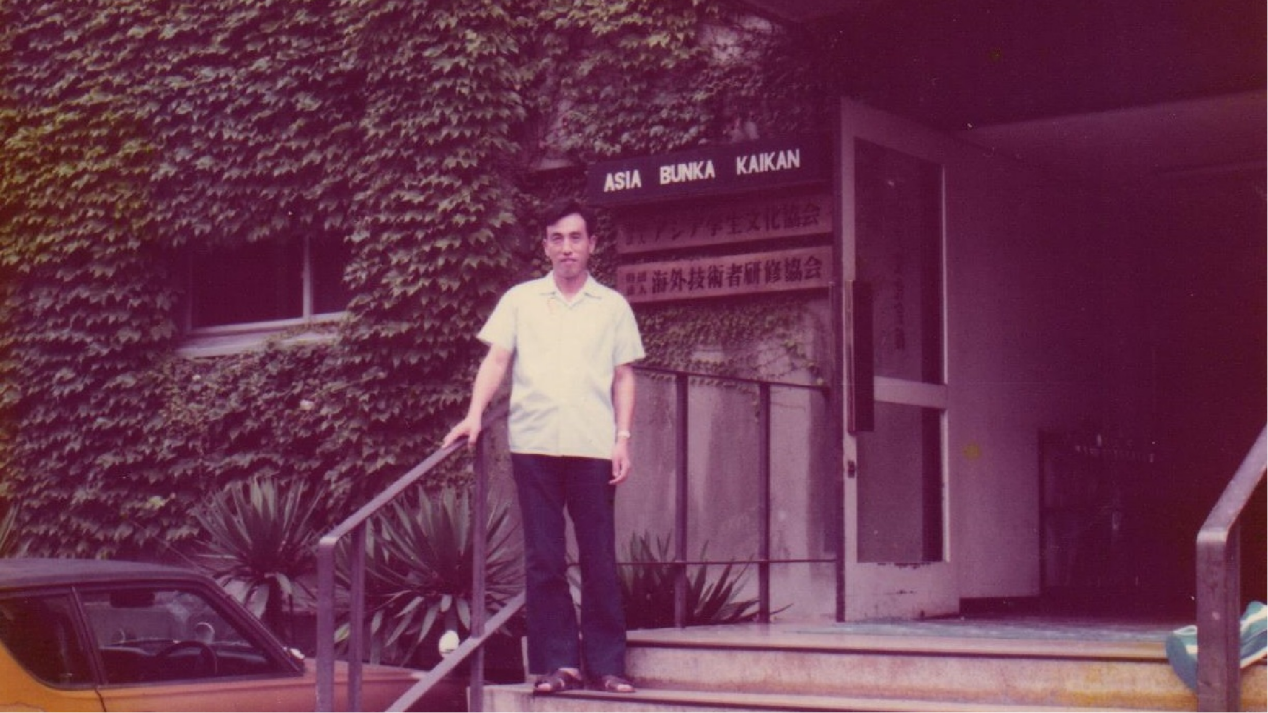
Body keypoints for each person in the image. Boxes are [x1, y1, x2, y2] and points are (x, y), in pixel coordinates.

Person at [442, 199, 644, 695]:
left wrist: (622, 438)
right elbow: (497, 360)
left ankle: (607, 665)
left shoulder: (612, 306)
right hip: (534, 445)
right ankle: (559, 665)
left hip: (593, 447)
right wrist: (474, 414)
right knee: (544, 558)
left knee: (598, 557)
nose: (567, 247)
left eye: (576, 238)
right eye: (557, 238)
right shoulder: (521, 300)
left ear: (592, 244)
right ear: (546, 246)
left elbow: (624, 376)